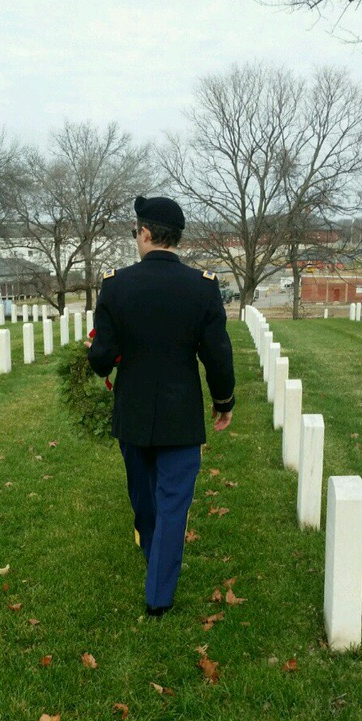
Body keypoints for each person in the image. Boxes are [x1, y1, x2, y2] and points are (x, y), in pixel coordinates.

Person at [88, 194, 235, 618]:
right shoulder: (203, 287)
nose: (136, 238)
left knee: (145, 497)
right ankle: (160, 587)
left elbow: (101, 360)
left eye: (136, 232)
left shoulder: (115, 285)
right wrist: (223, 401)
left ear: (147, 233)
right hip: (181, 413)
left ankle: (157, 586)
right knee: (170, 503)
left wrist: (98, 353)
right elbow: (217, 355)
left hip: (133, 413)